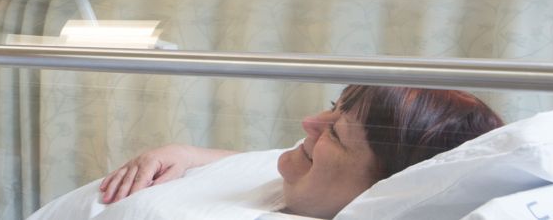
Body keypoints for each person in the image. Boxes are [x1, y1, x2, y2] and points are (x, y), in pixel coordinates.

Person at [33, 85, 503, 219]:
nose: (308, 125)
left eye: (335, 134)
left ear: (382, 191)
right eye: (330, 109)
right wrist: (190, 153)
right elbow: (265, 160)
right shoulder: (311, 180)